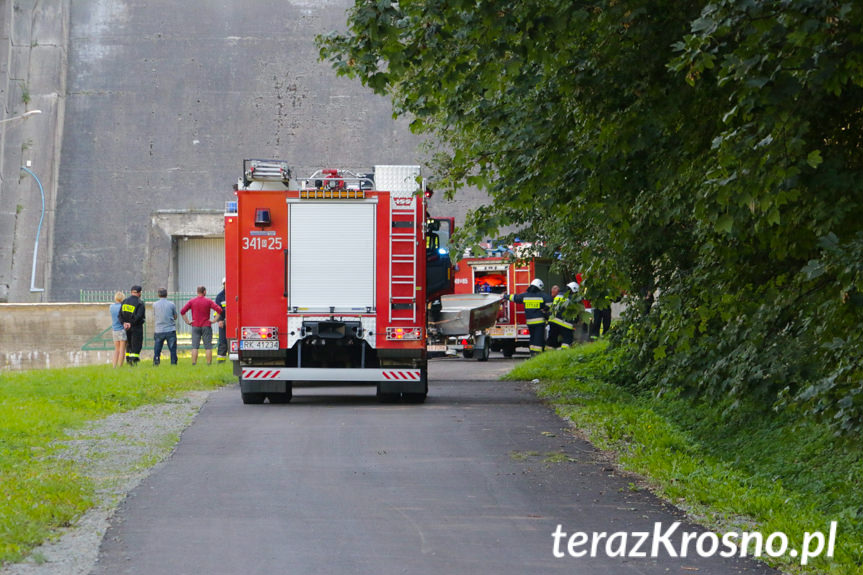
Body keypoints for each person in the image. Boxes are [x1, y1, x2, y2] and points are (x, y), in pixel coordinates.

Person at [507, 278, 552, 356]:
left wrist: (504, 296)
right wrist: (545, 309)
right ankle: (537, 355)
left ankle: (532, 353)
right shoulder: (542, 296)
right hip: (539, 322)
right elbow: (550, 302)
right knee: (538, 338)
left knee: (532, 338)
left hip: (530, 322)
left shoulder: (525, 295)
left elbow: (514, 297)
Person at [181, 285, 223, 366]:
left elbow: (182, 311)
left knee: (195, 347)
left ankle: (194, 363)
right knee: (208, 347)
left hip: (195, 325)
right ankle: (208, 364)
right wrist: (214, 320)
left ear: (197, 292)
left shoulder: (192, 301)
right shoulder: (208, 301)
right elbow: (219, 310)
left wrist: (188, 321)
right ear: (204, 292)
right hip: (206, 325)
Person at [548, 281, 582, 349]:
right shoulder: (571, 298)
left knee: (552, 339)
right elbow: (574, 312)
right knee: (567, 339)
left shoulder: (558, 295)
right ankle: (564, 352)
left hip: (553, 321)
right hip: (564, 322)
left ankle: (550, 353)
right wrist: (577, 320)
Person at [119, 285, 146, 366]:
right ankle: (134, 361)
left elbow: (120, 315)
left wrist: (124, 323)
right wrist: (131, 323)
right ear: (139, 293)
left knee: (129, 344)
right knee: (136, 344)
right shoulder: (140, 303)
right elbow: (139, 316)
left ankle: (128, 360)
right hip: (136, 327)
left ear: (131, 292)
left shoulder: (124, 301)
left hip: (126, 328)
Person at [152, 287, 179, 366]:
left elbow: (154, 315)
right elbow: (175, 316)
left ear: (158, 295)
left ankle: (156, 361)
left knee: (157, 349)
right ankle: (173, 362)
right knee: (172, 349)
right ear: (166, 294)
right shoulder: (171, 304)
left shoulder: (155, 305)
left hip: (159, 330)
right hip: (170, 329)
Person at [109, 291, 126, 368]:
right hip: (122, 329)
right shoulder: (122, 307)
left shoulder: (111, 307)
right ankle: (120, 366)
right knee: (122, 349)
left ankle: (114, 366)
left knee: (116, 349)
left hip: (115, 329)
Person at [214, 277, 227, 363]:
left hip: (235, 321)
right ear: (223, 285)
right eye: (225, 284)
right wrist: (219, 321)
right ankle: (221, 361)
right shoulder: (220, 297)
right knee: (222, 341)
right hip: (223, 321)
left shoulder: (236, 293)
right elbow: (217, 311)